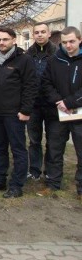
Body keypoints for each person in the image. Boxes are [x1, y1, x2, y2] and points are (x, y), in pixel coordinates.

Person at [0, 28, 37, 198]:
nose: (1, 42)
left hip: (14, 113)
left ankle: (16, 185)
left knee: (18, 149)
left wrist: (25, 110)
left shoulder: (24, 60)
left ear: (14, 40)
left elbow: (30, 86)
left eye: (5, 39)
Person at [40, 26, 82, 199]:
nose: (68, 45)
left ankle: (81, 188)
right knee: (54, 149)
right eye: (64, 42)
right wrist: (59, 101)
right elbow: (46, 83)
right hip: (58, 112)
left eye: (72, 41)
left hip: (79, 113)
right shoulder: (54, 60)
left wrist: (70, 102)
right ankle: (53, 183)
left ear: (79, 40)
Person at [26, 23, 57, 181]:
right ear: (33, 35)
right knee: (34, 140)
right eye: (36, 32)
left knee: (52, 140)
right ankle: (34, 170)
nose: (40, 35)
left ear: (49, 34)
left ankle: (50, 171)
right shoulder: (28, 54)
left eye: (43, 32)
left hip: (52, 104)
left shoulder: (57, 53)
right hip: (33, 104)